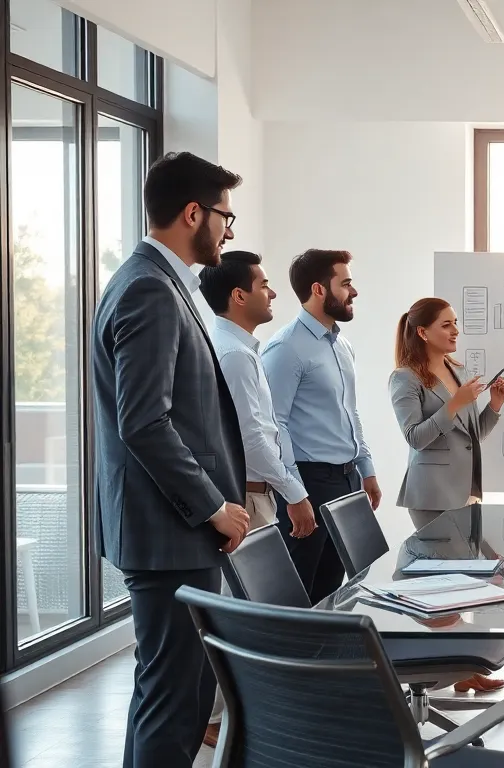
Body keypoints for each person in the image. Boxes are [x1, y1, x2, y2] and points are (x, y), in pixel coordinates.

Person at [91, 151, 249, 768]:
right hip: (170, 533)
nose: (228, 232)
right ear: (193, 213)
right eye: (225, 218)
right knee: (176, 699)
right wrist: (213, 506)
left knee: (166, 692)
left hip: (166, 533)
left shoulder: (148, 281)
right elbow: (144, 422)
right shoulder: (150, 291)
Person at [197, 250, 312, 746]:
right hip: (248, 494)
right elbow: (253, 439)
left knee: (249, 609)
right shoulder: (234, 353)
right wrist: (295, 492)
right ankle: (215, 718)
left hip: (258, 492)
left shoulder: (242, 347)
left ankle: (231, 714)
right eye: (264, 284)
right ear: (239, 295)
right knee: (238, 610)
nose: (273, 292)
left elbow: (266, 430)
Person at [388, 297, 504, 692]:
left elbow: (467, 436)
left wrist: (492, 407)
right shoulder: (405, 378)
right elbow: (416, 438)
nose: (455, 330)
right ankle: (439, 671)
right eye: (446, 325)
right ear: (422, 332)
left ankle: (462, 671)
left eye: (455, 323)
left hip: (464, 491)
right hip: (432, 495)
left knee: (461, 583)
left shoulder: (455, 371)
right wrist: (456, 404)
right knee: (446, 590)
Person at [261, 249, 380, 604]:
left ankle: (324, 658)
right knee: (297, 594)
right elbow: (274, 423)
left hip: (347, 479)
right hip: (310, 482)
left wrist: (366, 469)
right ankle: (289, 659)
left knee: (336, 589)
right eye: (345, 283)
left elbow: (349, 411)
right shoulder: (286, 348)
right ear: (318, 289)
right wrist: (295, 492)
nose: (353, 291)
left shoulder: (341, 345)